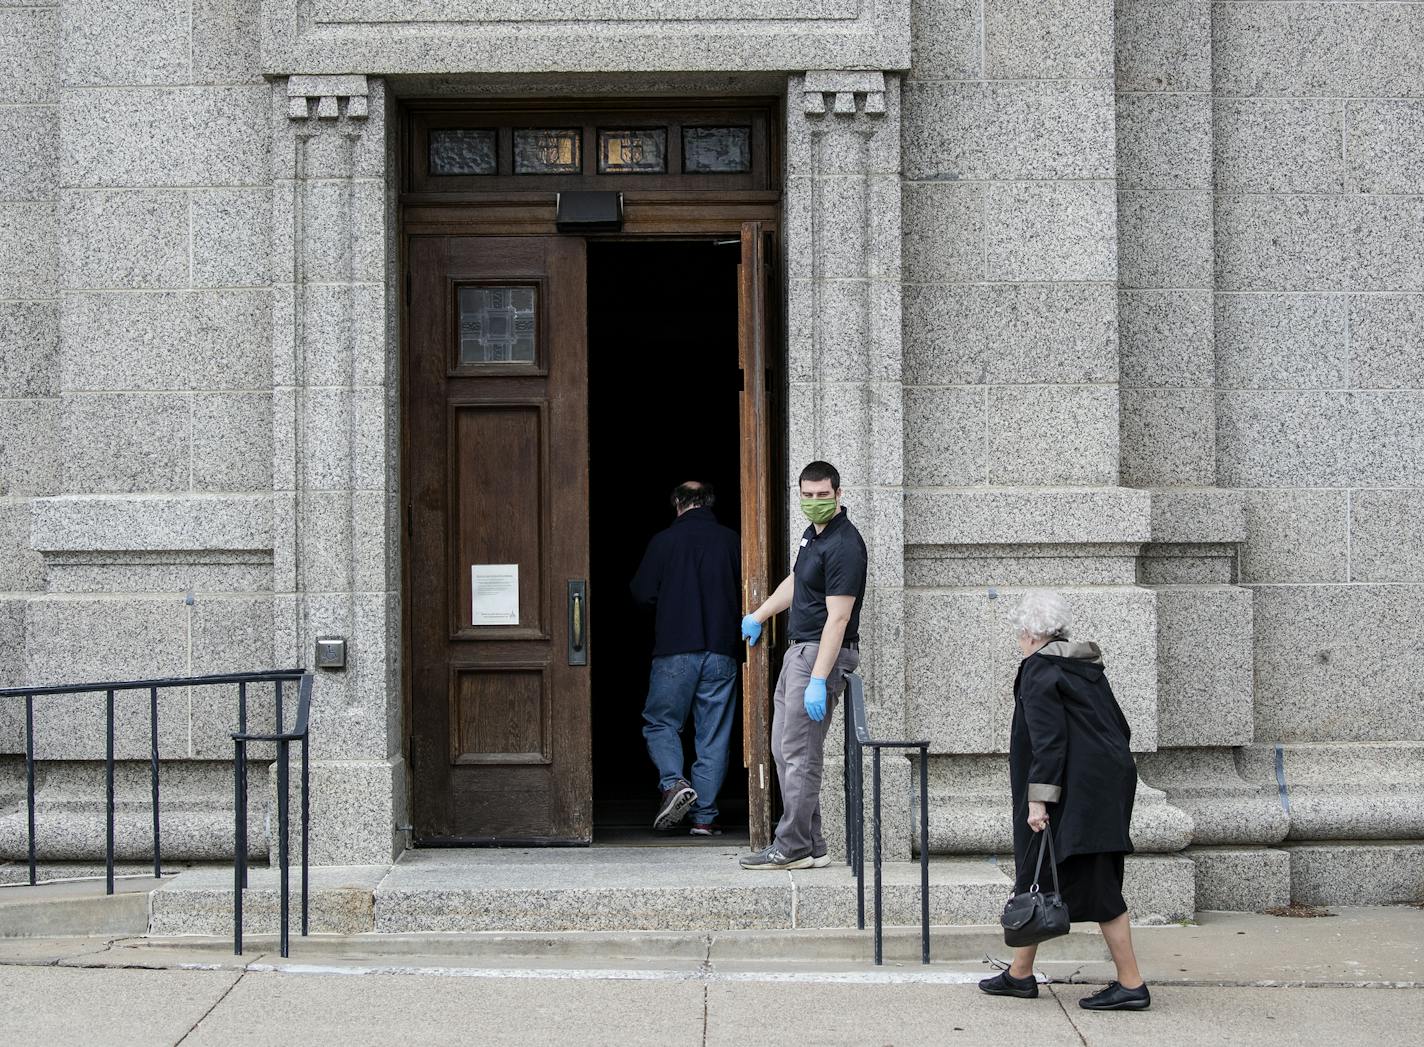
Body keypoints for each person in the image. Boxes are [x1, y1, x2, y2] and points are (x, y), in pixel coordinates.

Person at [978, 590, 1151, 1011]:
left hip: (1076, 792)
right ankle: (1020, 974)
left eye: (1021, 632)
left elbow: (1048, 743)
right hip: (1102, 785)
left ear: (1033, 633)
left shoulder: (1038, 670)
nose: (1019, 640)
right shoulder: (1082, 667)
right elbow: (1119, 728)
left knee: (1099, 886)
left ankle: (1131, 984)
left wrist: (1039, 802)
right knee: (1040, 874)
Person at [737, 461, 866, 870]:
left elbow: (839, 618)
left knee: (800, 753)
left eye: (822, 495)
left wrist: (818, 678)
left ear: (838, 494)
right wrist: (760, 614)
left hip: (819, 653)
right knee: (785, 748)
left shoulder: (846, 544)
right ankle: (812, 844)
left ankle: (791, 845)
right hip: (800, 651)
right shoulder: (815, 536)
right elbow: (797, 582)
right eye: (807, 496)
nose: (814, 502)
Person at [630, 481, 742, 835]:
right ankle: (705, 818)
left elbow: (641, 594)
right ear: (709, 502)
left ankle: (674, 783)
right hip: (722, 649)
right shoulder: (732, 540)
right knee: (713, 734)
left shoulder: (663, 542)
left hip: (676, 650)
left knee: (661, 722)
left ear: (677, 502)